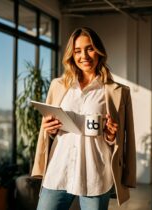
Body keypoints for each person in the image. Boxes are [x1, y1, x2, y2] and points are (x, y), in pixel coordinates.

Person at [31, 26, 136, 210]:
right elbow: (49, 133)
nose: (84, 56)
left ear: (99, 51)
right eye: (78, 51)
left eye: (89, 48)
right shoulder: (58, 86)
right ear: (72, 55)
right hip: (59, 171)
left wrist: (111, 136)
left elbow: (125, 139)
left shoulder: (117, 92)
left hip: (95, 175)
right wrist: (51, 129)